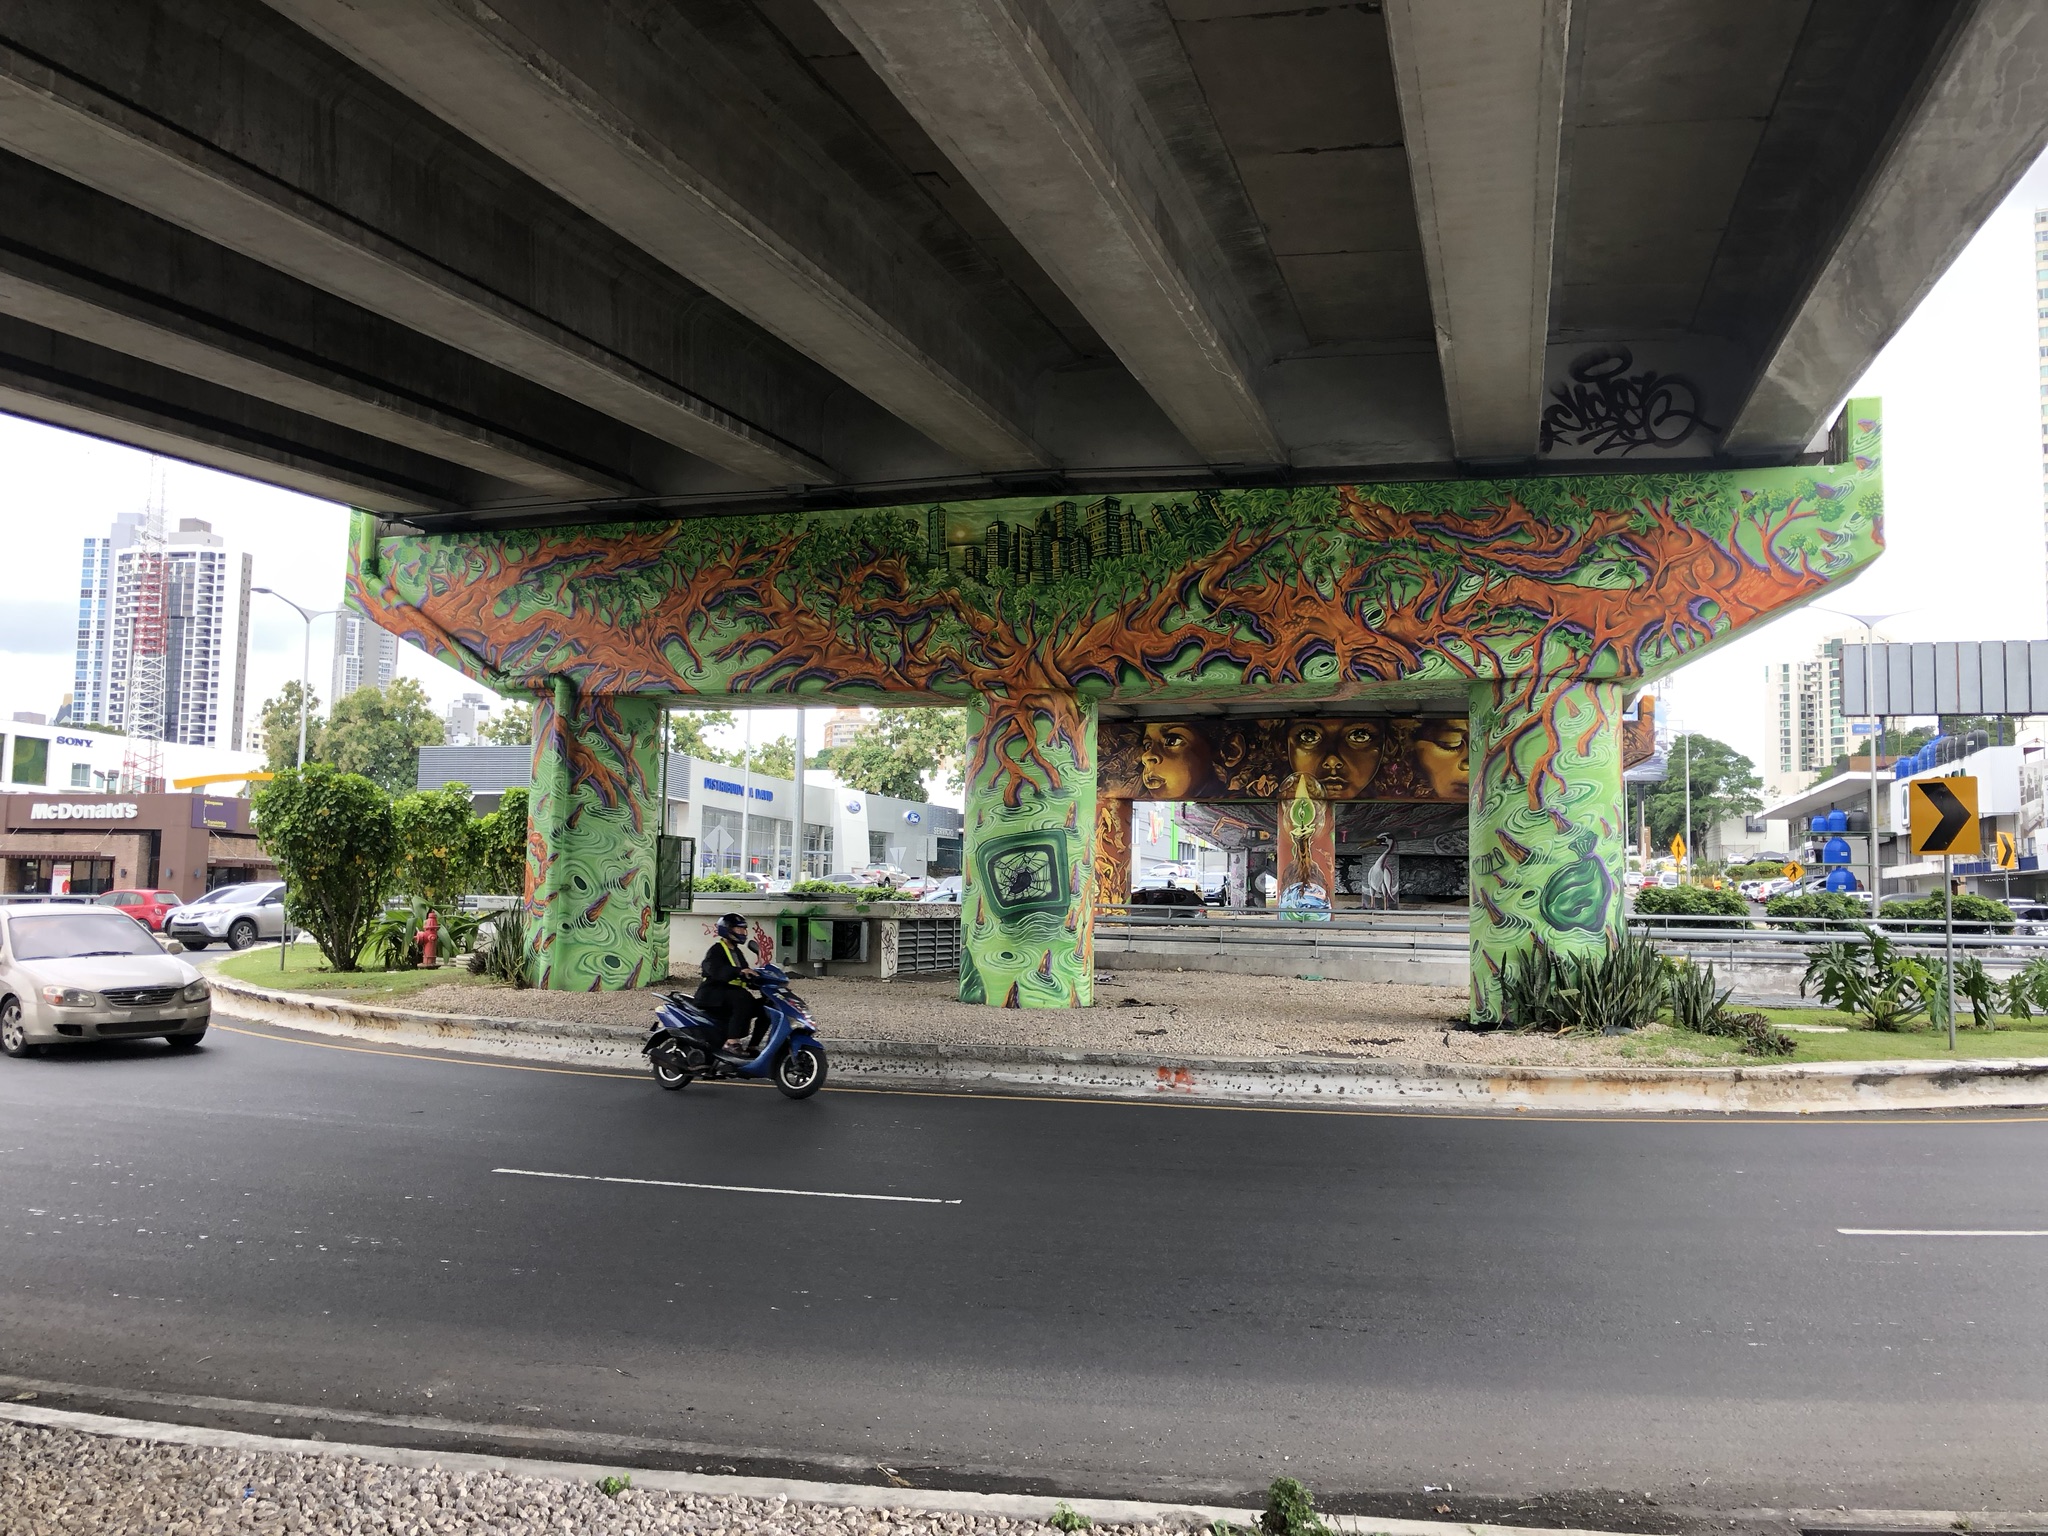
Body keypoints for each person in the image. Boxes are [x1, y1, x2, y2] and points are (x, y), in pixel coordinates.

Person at [695, 913, 768, 1057]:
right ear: (727, 929)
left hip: (730, 994)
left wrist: (759, 980)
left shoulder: (737, 952)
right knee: (743, 998)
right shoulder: (716, 950)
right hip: (712, 993)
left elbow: (745, 973)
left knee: (767, 1006)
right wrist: (738, 971)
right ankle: (731, 1042)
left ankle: (753, 1047)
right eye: (739, 929)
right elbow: (714, 969)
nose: (743, 932)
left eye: (744, 929)